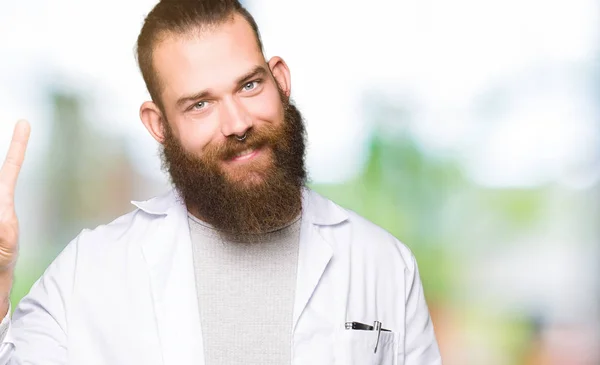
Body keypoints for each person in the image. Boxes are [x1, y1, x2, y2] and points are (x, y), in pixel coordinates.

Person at [0, 0, 442, 364]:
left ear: (280, 80)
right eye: (199, 105)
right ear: (158, 125)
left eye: (249, 86)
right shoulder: (88, 273)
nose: (237, 123)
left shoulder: (384, 266)